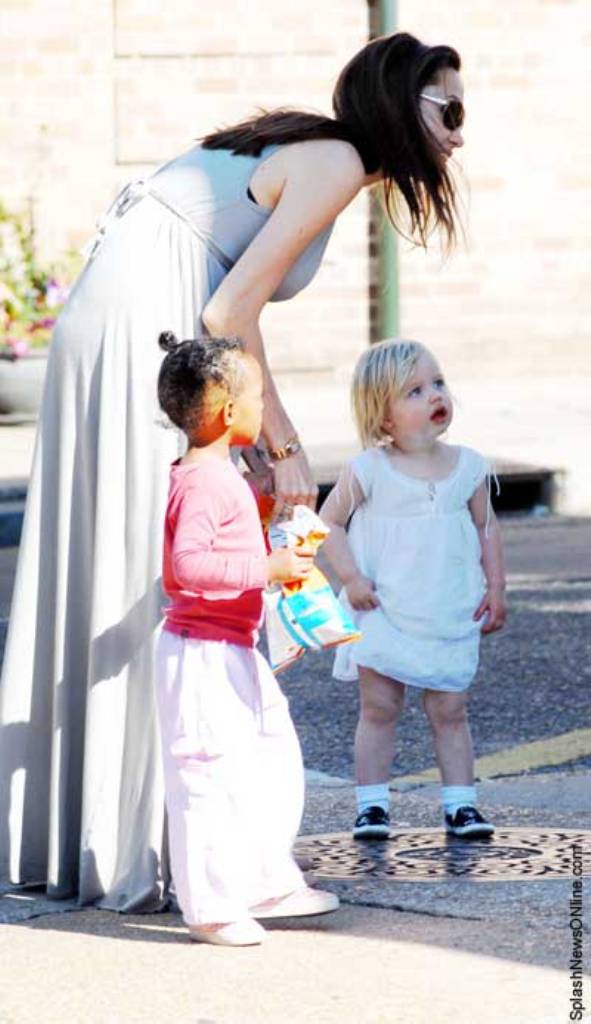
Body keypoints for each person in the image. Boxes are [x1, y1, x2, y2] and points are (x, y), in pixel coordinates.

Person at [0, 31, 466, 910]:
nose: (458, 133)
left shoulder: (314, 152)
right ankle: (158, 850)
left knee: (129, 553)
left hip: (126, 315)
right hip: (153, 321)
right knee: (150, 563)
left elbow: (225, 304)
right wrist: (283, 447)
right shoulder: (335, 158)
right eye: (449, 109)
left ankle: (119, 837)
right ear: (401, 104)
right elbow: (229, 309)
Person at [154, 331, 338, 946]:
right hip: (201, 652)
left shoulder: (218, 474)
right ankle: (209, 906)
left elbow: (223, 534)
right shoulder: (203, 482)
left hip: (231, 646)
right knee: (205, 775)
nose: (265, 406)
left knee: (268, 758)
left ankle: (265, 880)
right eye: (258, 397)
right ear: (228, 411)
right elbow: (187, 567)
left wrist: (261, 503)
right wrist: (267, 568)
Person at [320, 340, 506, 840]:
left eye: (438, 383)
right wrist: (351, 578)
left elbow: (486, 527)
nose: (435, 395)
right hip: (384, 608)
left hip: (449, 607)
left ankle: (461, 805)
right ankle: (372, 806)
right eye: (415, 391)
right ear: (383, 416)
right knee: (380, 707)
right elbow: (328, 523)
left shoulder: (469, 466)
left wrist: (496, 586)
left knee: (450, 709)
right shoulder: (367, 470)